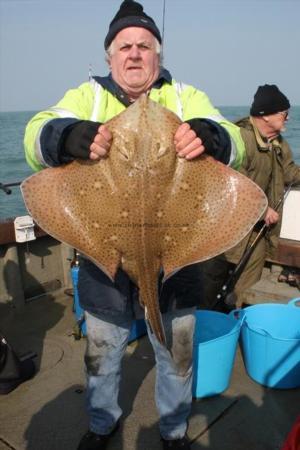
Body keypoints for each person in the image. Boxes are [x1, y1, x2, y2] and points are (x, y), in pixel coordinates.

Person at [24, 2, 246, 449]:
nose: (134, 53)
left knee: (176, 353)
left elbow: (235, 141)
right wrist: (65, 136)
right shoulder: (86, 96)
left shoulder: (185, 96)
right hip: (104, 259)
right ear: (109, 56)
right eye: (124, 45)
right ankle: (102, 424)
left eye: (145, 45)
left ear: (157, 57)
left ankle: (173, 429)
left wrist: (213, 134)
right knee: (102, 353)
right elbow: (35, 133)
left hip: (178, 258)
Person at [202, 84, 300, 311]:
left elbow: (290, 173)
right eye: (284, 113)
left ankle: (234, 323)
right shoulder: (239, 138)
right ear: (266, 115)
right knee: (208, 286)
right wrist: (262, 210)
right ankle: (203, 327)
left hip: (258, 233)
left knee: (243, 288)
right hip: (225, 229)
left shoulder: (279, 145)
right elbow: (231, 179)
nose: (288, 117)